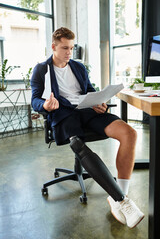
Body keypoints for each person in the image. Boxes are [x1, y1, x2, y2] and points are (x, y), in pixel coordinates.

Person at [31, 27, 144, 228]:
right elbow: (35, 100)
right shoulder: (41, 69)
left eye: (71, 48)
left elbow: (89, 91)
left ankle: (121, 193)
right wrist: (45, 105)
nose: (69, 52)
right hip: (64, 115)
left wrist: (98, 102)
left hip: (87, 111)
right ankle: (122, 201)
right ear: (53, 46)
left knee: (129, 133)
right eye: (65, 48)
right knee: (78, 144)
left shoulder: (78, 67)